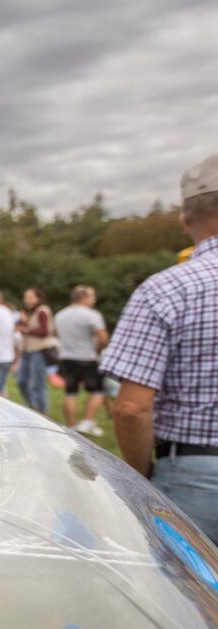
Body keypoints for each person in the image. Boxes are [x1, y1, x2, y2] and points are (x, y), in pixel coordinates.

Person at [102, 153, 218, 542]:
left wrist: (141, 478)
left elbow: (132, 407)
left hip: (196, 476)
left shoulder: (165, 290)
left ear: (185, 219)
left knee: (190, 602)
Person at [55, 285, 108, 437]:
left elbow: (57, 335)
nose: (94, 300)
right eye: (92, 297)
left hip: (66, 357)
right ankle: (87, 422)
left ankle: (71, 426)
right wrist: (96, 350)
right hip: (87, 358)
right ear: (83, 297)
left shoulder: (60, 314)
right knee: (97, 391)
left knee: (70, 392)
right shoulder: (92, 315)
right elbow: (103, 339)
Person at [16, 288, 54, 414]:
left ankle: (43, 413)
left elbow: (44, 332)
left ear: (38, 298)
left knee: (37, 385)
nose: (27, 300)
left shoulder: (42, 311)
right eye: (25, 297)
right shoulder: (30, 312)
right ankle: (33, 407)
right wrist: (23, 322)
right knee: (22, 381)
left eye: (30, 297)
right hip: (27, 350)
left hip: (38, 351)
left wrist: (26, 329)